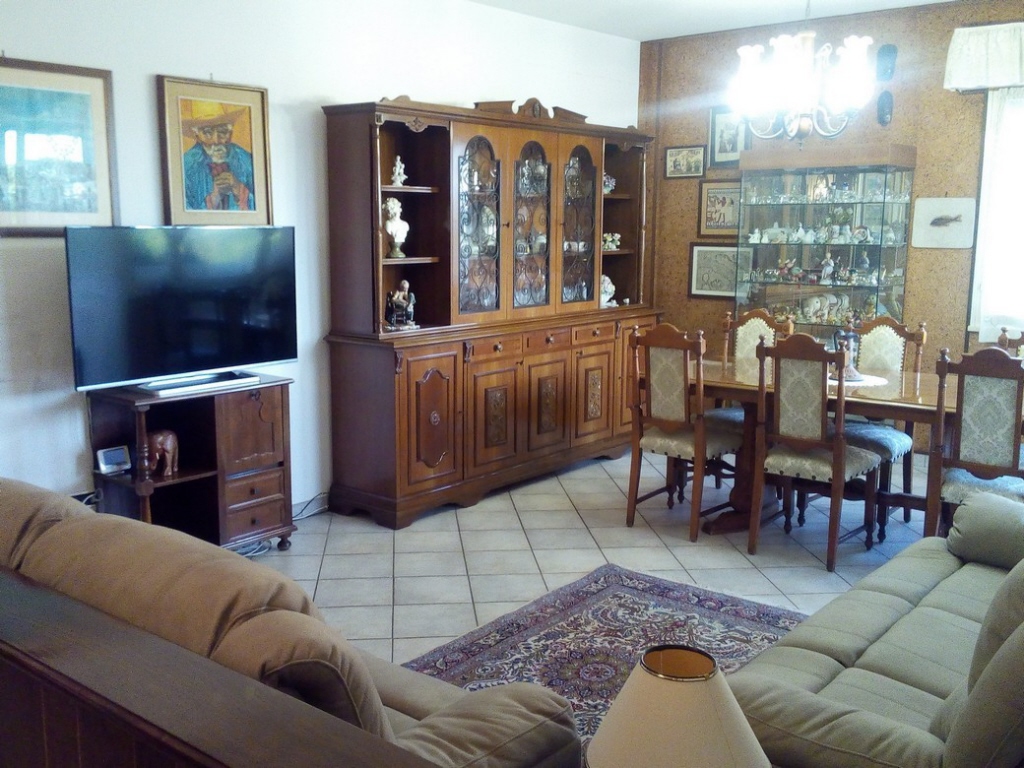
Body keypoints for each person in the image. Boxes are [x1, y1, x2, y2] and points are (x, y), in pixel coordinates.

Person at [181, 101, 256, 211]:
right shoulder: (185, 166)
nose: (216, 140)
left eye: (222, 131)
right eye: (207, 133)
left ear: (230, 133)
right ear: (197, 136)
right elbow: (183, 212)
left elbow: (263, 207)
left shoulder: (246, 160)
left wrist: (239, 189)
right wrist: (213, 198)